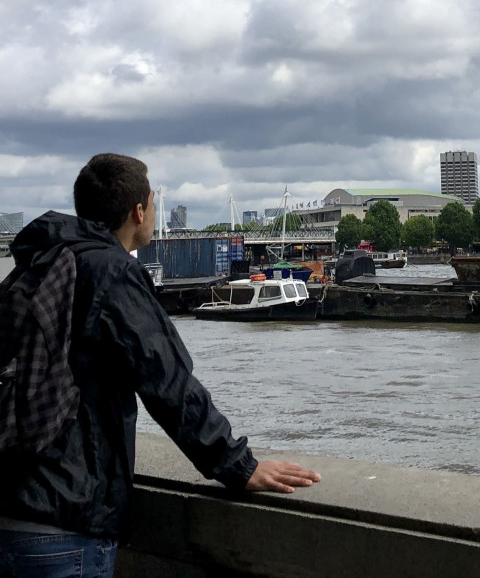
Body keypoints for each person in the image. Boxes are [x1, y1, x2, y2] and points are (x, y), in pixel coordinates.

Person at [0, 153, 321, 578]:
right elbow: (167, 381)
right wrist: (240, 466)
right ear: (139, 211)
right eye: (151, 202)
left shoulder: (37, 264)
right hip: (64, 522)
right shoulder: (111, 271)